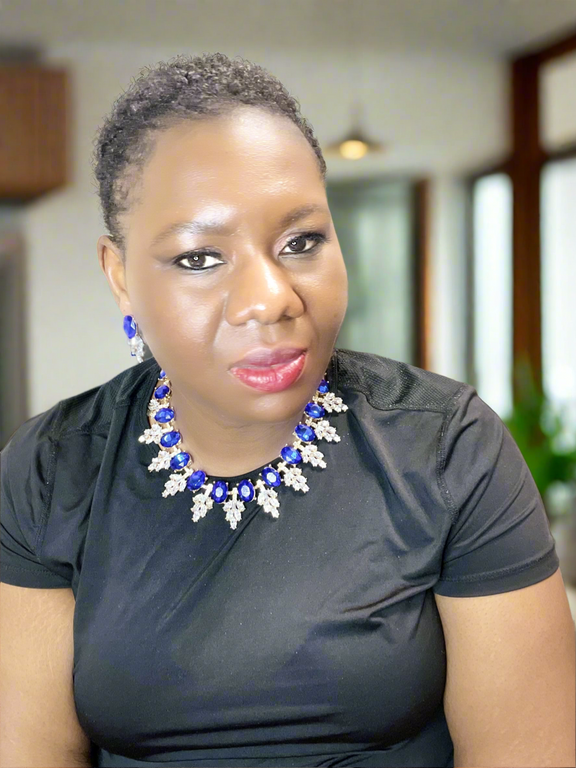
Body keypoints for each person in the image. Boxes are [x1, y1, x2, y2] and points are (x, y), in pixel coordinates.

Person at [0, 53, 574, 768]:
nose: (271, 299)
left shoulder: (448, 448)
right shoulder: (51, 469)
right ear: (121, 277)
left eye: (301, 242)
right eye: (200, 258)